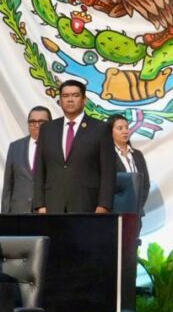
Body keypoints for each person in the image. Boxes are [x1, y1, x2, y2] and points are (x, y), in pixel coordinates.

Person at [31, 80, 115, 213]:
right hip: (52, 205)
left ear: (84, 100)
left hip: (87, 205)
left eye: (75, 95)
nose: (70, 100)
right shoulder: (47, 129)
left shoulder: (100, 128)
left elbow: (108, 171)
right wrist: (40, 204)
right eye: (65, 96)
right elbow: (40, 168)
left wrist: (103, 205)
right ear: (60, 101)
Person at [2, 107, 51, 214]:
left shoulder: (58, 148)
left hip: (47, 213)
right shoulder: (15, 147)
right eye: (32, 122)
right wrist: (5, 216)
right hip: (19, 212)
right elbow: (8, 186)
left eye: (41, 122)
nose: (37, 125)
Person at [106, 114, 150, 214]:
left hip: (136, 212)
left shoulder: (137, 154)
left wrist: (137, 206)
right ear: (110, 131)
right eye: (120, 128)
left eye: (126, 127)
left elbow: (145, 184)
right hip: (115, 212)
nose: (125, 131)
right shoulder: (107, 155)